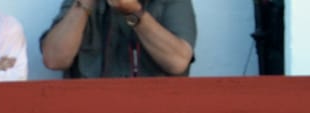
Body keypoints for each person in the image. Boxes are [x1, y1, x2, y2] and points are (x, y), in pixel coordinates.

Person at [39, 0, 196, 78]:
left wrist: (133, 13)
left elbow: (178, 62)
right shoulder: (79, 3)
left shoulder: (171, 2)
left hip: (155, 112)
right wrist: (84, 4)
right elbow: (54, 60)